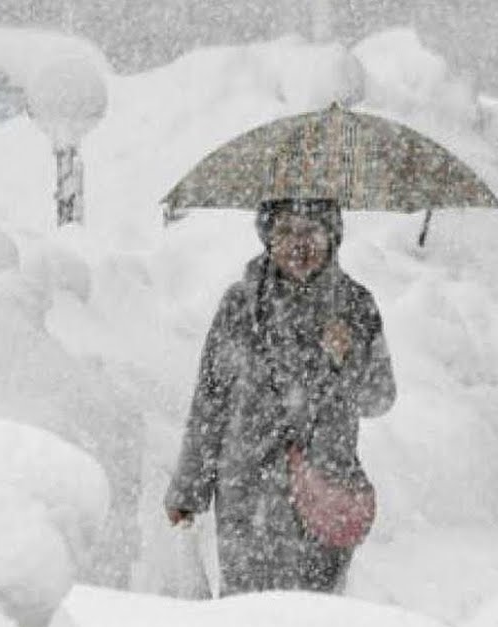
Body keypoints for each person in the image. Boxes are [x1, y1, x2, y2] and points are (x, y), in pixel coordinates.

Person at [164, 197, 396, 596]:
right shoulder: (239, 305)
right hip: (247, 496)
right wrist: (189, 489)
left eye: (311, 231)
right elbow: (210, 401)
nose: (298, 244)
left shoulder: (356, 305)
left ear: (333, 235)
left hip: (324, 490)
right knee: (248, 622)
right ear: (267, 237)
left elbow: (380, 397)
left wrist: (349, 359)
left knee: (316, 625)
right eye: (285, 231)